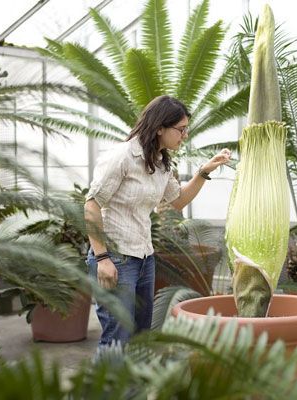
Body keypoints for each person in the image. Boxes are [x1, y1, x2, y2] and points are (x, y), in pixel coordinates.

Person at [85, 95, 231, 347]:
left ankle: (134, 388)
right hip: (116, 258)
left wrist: (204, 172)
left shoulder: (161, 163)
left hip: (144, 260)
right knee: (116, 339)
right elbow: (91, 205)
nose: (185, 135)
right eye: (181, 129)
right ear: (160, 127)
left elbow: (177, 200)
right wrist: (102, 259)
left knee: (140, 340)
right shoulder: (122, 157)